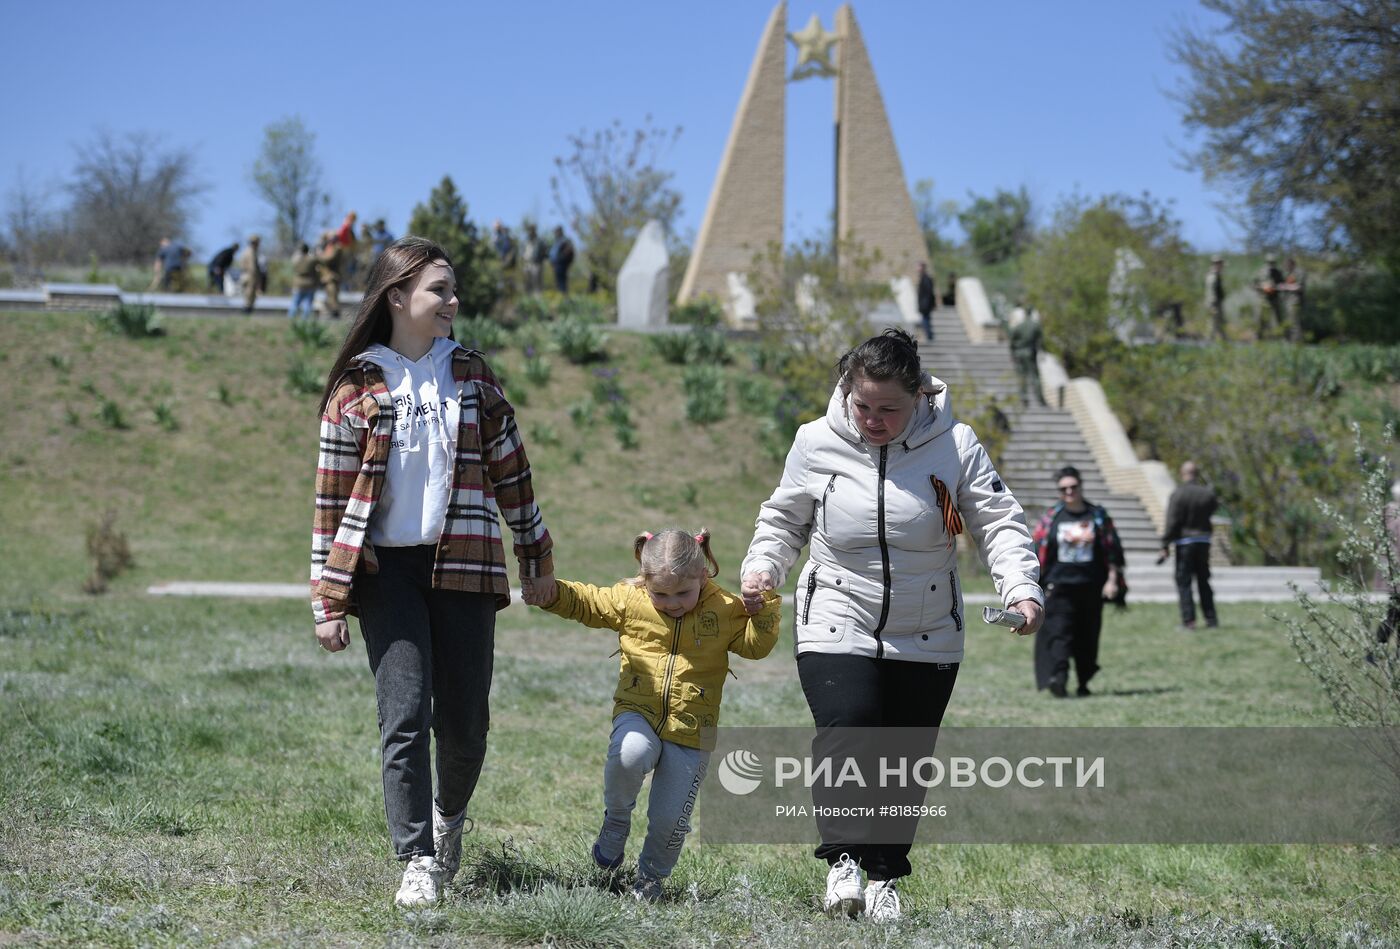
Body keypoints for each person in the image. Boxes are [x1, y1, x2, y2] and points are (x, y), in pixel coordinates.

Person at [740, 329, 1044, 922]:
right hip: (836, 612)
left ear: (920, 398)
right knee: (850, 729)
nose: (874, 420)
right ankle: (844, 864)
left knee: (904, 754)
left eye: (889, 409)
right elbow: (784, 519)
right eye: (863, 406)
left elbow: (999, 521)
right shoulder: (814, 441)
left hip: (927, 625)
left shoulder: (954, 445)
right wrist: (762, 569)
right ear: (847, 391)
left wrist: (1022, 588)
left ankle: (883, 876)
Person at [310, 235, 555, 908]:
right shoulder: (356, 385)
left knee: (467, 720)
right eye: (439, 290)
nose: (453, 300)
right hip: (386, 570)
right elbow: (330, 501)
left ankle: (450, 819)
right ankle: (416, 856)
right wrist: (327, 598)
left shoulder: (472, 374)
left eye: (452, 290)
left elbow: (513, 471)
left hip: (467, 560)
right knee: (405, 711)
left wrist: (534, 555)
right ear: (397, 296)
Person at [523, 529, 780, 901]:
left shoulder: (724, 608)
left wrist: (764, 607)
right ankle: (616, 820)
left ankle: (650, 880)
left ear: (703, 575)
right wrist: (551, 593)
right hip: (637, 709)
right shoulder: (631, 599)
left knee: (669, 820)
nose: (672, 602)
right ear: (644, 581)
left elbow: (756, 647)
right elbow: (586, 602)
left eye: (682, 593)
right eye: (660, 594)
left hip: (692, 729)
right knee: (630, 753)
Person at [1031, 466, 1125, 698]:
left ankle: (1084, 682)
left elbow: (1112, 551)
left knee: (1087, 637)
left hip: (1091, 587)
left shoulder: (1098, 516)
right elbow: (1037, 549)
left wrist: (1112, 580)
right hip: (1058, 587)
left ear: (1081, 486)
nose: (1069, 491)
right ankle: (1059, 679)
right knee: (1059, 633)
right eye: (1064, 489)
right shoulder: (1051, 518)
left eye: (1073, 487)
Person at [1160, 461, 1219, 629]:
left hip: (1185, 543)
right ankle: (1211, 619)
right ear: (1197, 473)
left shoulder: (1178, 494)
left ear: (1182, 473)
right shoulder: (1207, 494)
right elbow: (1214, 508)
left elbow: (1172, 521)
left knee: (1184, 582)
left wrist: (1165, 543)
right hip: (1203, 542)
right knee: (1204, 581)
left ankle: (1189, 621)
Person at [1007, 304, 1046, 407]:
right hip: (1030, 353)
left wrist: (1012, 353)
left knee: (1022, 376)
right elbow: (1041, 340)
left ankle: (1024, 398)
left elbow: (1011, 340)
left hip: (1019, 353)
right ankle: (1039, 399)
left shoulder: (1020, 326)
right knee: (1034, 377)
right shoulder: (1035, 325)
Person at [1253, 256, 1284, 339]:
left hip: (1274, 299)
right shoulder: (1260, 272)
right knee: (1260, 319)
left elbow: (1282, 285)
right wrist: (1262, 287)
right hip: (1263, 299)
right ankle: (1258, 338)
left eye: (1272, 262)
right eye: (1269, 262)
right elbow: (1254, 285)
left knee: (1277, 319)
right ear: (1266, 262)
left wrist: (1275, 287)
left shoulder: (1278, 273)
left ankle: (1280, 338)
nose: (1271, 264)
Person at [317, 231, 344, 319]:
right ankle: (332, 312)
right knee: (329, 295)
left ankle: (335, 313)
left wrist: (320, 255)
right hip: (326, 276)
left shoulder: (337, 247)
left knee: (333, 295)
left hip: (333, 276)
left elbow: (329, 259)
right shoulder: (328, 247)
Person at [288, 242, 318, 319]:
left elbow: (293, 259)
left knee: (295, 303)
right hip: (310, 283)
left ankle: (290, 318)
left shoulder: (296, 260)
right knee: (307, 304)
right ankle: (305, 320)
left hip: (298, 283)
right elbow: (317, 260)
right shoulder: (311, 260)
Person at [1279, 257, 1306, 343]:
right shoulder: (1288, 273)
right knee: (1288, 321)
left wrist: (1285, 287)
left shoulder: (1299, 272)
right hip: (1287, 301)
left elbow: (1299, 287)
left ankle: (1297, 341)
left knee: (1295, 322)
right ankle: (1289, 340)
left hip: (1295, 301)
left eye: (1286, 265)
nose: (1285, 267)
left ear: (1291, 264)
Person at [237, 235, 261, 313]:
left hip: (245, 275)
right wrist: (257, 279)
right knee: (249, 296)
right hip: (250, 276)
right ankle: (246, 312)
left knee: (247, 296)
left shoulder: (246, 251)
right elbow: (252, 267)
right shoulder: (251, 252)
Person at [1205, 256, 1226, 341]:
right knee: (1213, 323)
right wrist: (1213, 305)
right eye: (1220, 264)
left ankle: (1224, 339)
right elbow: (1211, 292)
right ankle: (1209, 341)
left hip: (1216, 302)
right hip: (1214, 303)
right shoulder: (1213, 276)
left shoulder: (1215, 275)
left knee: (1219, 322)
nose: (1222, 266)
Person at [520, 223, 545, 294]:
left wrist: (540, 259)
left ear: (535, 230)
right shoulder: (525, 241)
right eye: (529, 230)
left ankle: (538, 299)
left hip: (536, 263)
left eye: (532, 230)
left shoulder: (540, 241)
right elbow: (522, 251)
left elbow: (544, 251)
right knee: (527, 282)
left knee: (537, 282)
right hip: (527, 264)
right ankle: (528, 299)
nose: (530, 231)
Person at [550, 226, 575, 294]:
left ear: (560, 232)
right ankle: (559, 295)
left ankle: (563, 296)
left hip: (562, 264)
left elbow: (569, 251)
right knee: (558, 281)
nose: (555, 233)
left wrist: (561, 258)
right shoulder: (556, 241)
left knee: (562, 281)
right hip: (556, 264)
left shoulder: (565, 240)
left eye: (556, 231)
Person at [915, 262, 936, 343]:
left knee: (925, 320)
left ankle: (930, 336)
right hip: (924, 304)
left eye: (919, 267)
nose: (917, 269)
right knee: (926, 320)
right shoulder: (923, 278)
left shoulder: (926, 278)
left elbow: (929, 293)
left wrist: (930, 304)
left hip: (925, 304)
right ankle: (929, 335)